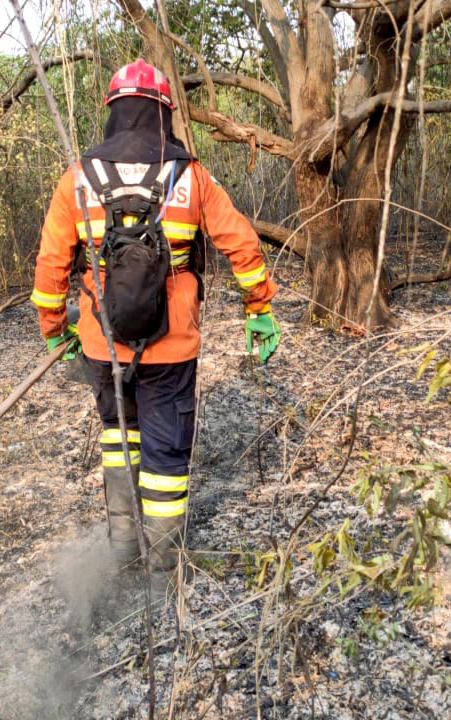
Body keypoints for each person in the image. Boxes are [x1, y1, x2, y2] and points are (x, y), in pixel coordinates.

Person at [31, 59, 281, 583]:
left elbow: (51, 266)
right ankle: (164, 566)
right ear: (164, 113)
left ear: (113, 113)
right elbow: (242, 245)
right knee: (165, 449)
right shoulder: (190, 175)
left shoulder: (79, 177)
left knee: (119, 434)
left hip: (103, 342)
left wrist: (57, 331)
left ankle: (123, 548)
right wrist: (258, 309)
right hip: (172, 345)